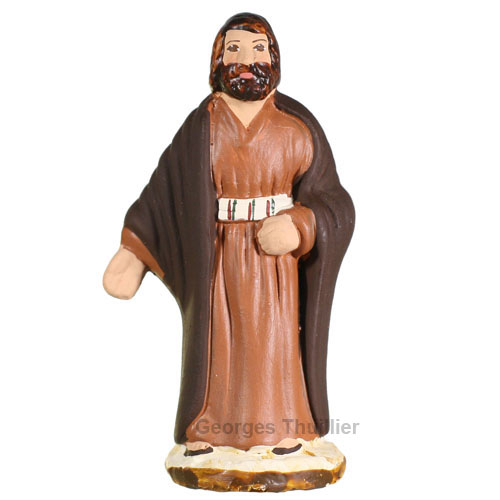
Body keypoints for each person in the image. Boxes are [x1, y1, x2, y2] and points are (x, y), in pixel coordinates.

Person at [103, 12, 355, 456]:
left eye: (258, 50)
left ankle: (283, 429)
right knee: (218, 344)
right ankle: (210, 430)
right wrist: (135, 249)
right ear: (217, 59)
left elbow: (335, 203)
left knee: (272, 344)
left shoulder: (297, 124)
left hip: (274, 265)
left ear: (274, 59)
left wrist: (300, 225)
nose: (246, 60)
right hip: (218, 258)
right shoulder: (202, 125)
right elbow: (166, 188)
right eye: (234, 49)